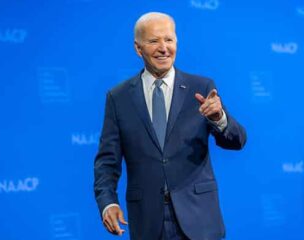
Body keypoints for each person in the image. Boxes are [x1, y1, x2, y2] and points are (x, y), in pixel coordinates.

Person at [94, 12, 247, 240]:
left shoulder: (202, 87)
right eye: (154, 41)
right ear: (138, 48)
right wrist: (108, 202)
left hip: (199, 219)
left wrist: (219, 118)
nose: (163, 48)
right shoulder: (119, 97)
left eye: (169, 39)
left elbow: (237, 141)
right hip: (148, 221)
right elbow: (107, 161)